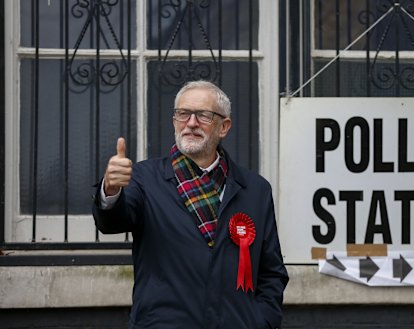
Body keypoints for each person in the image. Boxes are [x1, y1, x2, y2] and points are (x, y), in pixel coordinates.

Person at [93, 80, 289, 329]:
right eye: (183, 114)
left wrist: (261, 321)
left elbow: (271, 272)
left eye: (203, 115)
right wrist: (111, 189)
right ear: (175, 121)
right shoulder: (143, 179)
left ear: (224, 127)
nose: (191, 123)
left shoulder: (255, 189)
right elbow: (112, 222)